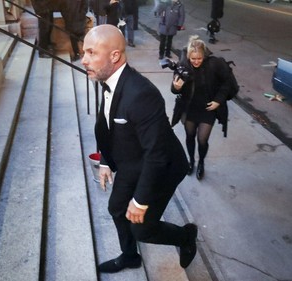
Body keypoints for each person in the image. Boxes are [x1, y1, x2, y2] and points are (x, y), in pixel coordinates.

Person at [81, 24, 198, 273]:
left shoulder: (141, 93)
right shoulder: (108, 79)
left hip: (163, 164)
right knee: (116, 208)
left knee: (142, 227)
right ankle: (130, 256)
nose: (84, 60)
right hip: (132, 159)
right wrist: (104, 161)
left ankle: (186, 236)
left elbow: (157, 154)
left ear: (115, 56)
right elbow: (107, 124)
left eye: (91, 53)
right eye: (84, 52)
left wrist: (141, 200)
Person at [171, 35, 231, 180]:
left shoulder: (214, 65)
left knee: (202, 140)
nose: (196, 61)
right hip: (190, 108)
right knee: (190, 136)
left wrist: (218, 100)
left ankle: (201, 162)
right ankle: (191, 161)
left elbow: (227, 83)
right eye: (193, 59)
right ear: (188, 56)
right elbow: (173, 90)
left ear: (204, 55)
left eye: (199, 58)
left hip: (207, 109)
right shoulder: (183, 66)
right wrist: (176, 87)